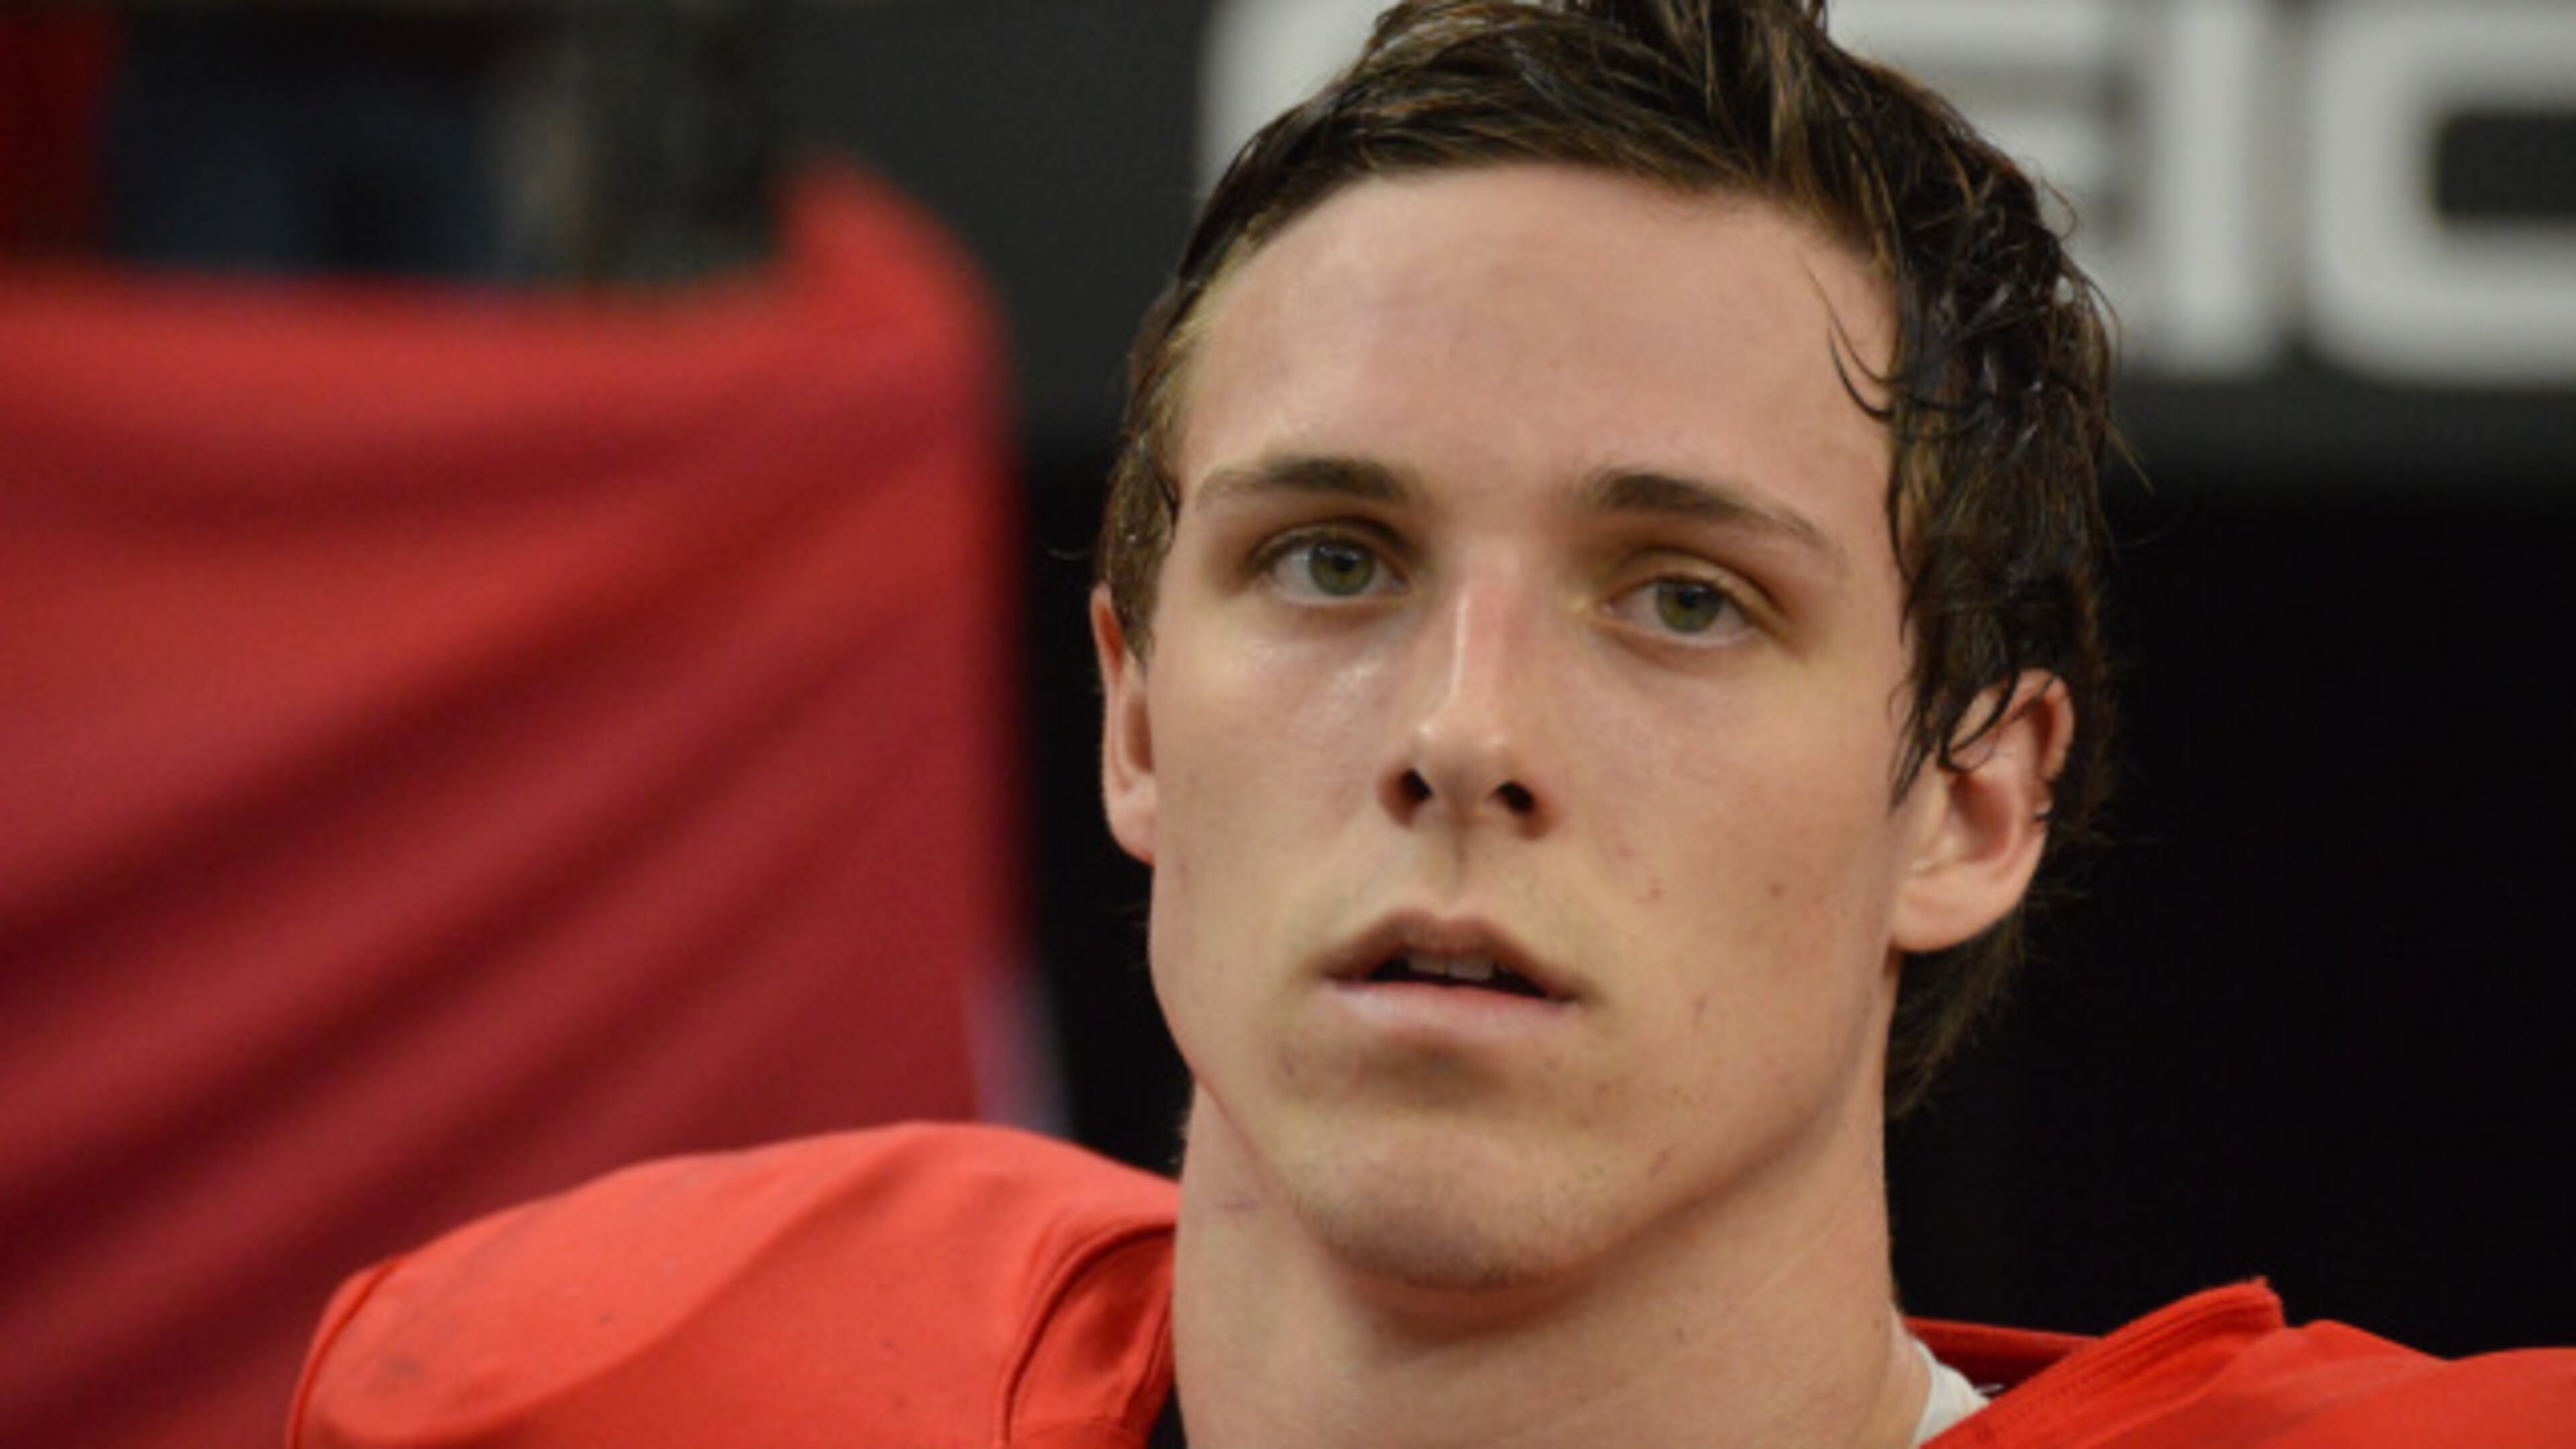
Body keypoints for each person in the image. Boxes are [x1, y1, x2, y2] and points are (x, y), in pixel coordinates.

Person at [286, 2, 2576, 1445]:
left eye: (1682, 598)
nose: (1462, 733)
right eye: (1332, 560)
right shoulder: (585, 1391)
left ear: (1969, 797)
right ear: (1136, 719)